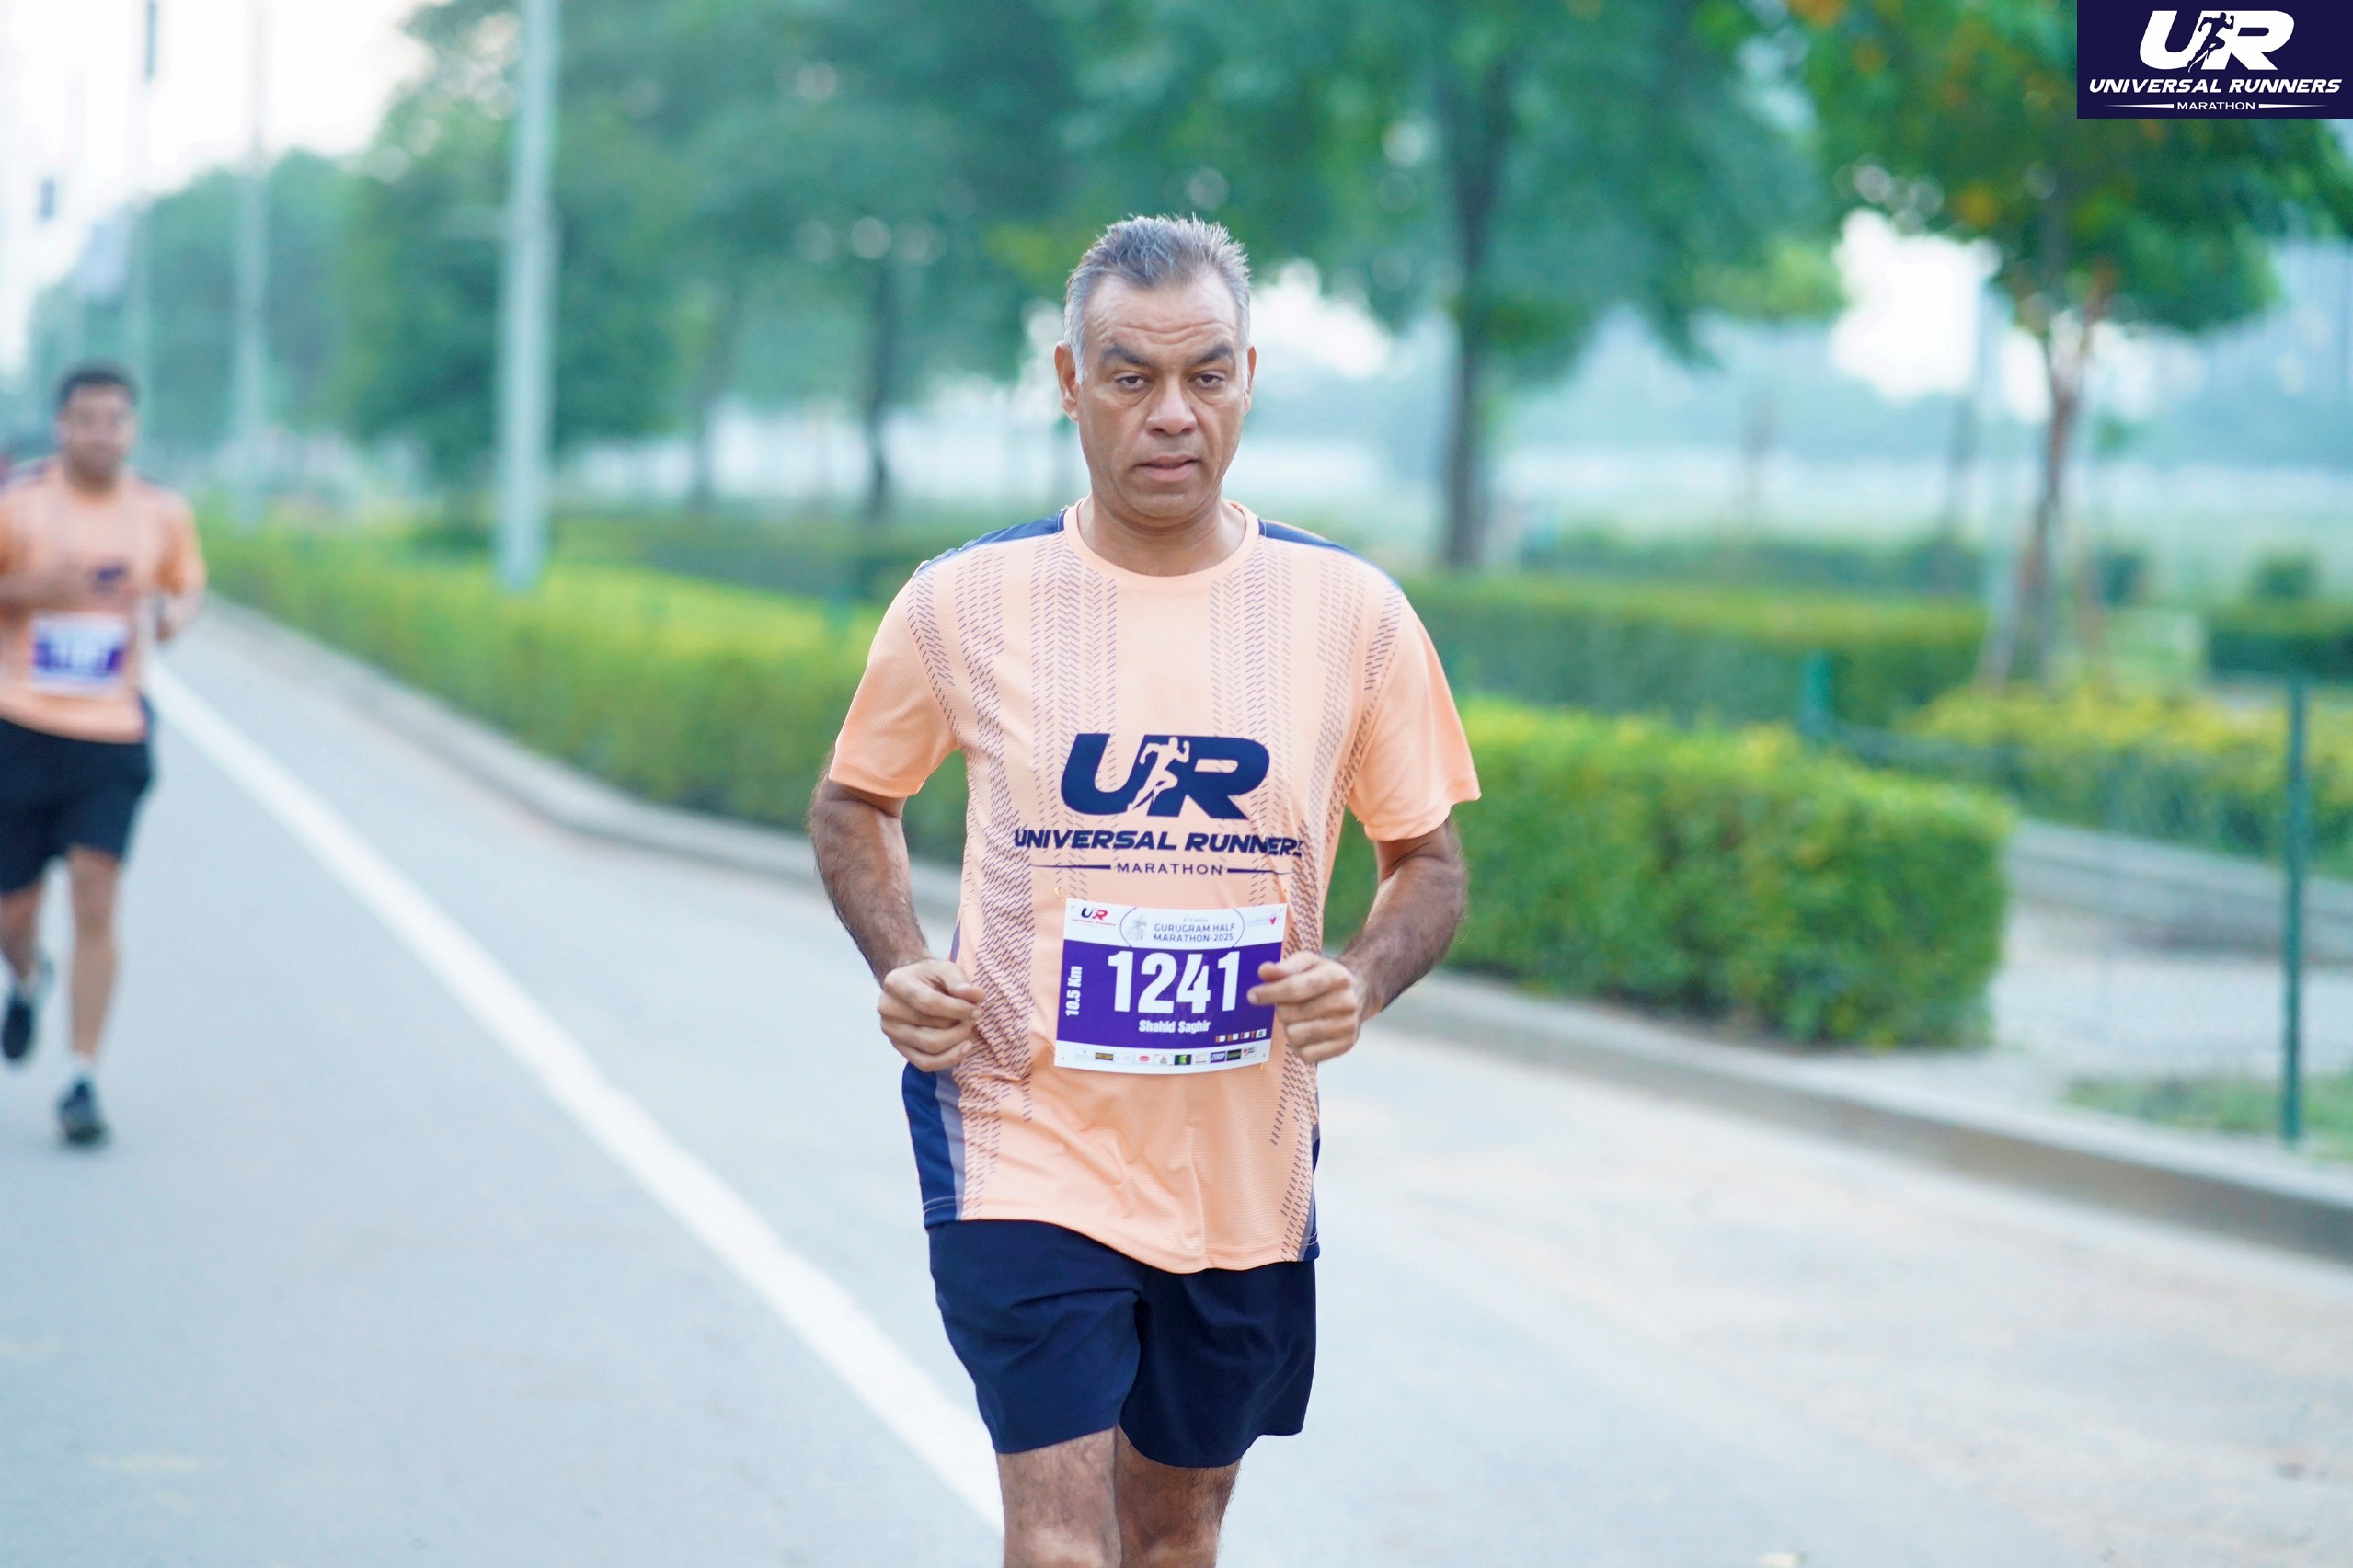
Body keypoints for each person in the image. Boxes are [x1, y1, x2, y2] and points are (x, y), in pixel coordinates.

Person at [810, 217, 1478, 1567]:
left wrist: (1358, 978)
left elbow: (1428, 862)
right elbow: (853, 801)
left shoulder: (1350, 614)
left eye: (1205, 375)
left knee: (1172, 1530)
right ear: (1070, 382)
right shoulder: (963, 602)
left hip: (1240, 1158)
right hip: (1018, 1125)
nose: (1171, 412)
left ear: (1247, 379)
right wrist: (899, 960)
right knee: (1060, 1535)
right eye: (1130, 376)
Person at [0, 364, 205, 1146]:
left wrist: (176, 614)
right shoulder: (18, 503)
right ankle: (27, 975)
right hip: (20, 725)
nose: (99, 433)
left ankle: (80, 1076)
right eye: (85, 419)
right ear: (61, 425)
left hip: (112, 733)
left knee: (96, 895)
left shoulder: (161, 512)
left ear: (132, 428)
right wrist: (29, 589)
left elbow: (186, 583)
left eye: (114, 419)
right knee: (13, 912)